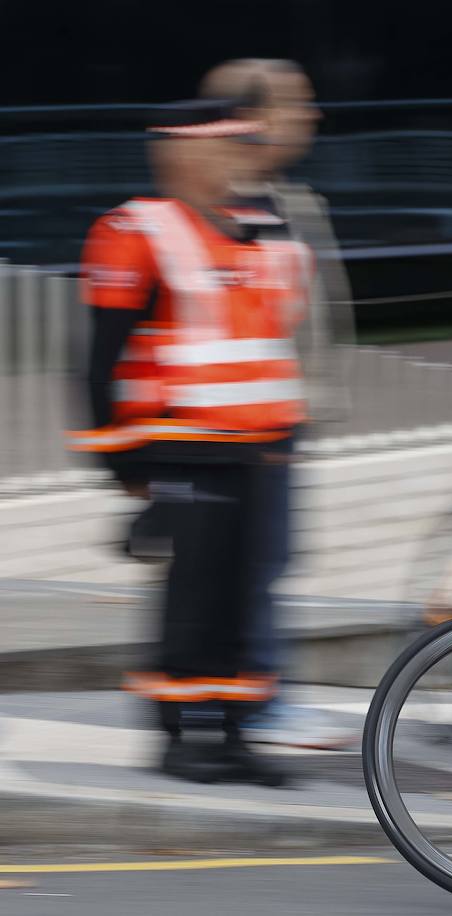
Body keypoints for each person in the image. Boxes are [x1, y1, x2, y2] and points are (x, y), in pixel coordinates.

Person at [70, 99, 313, 785]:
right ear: (180, 154)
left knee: (242, 602)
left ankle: (233, 736)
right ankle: (179, 739)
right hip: (182, 450)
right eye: (227, 146)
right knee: (195, 601)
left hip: (256, 452)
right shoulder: (136, 231)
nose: (242, 158)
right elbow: (99, 359)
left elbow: (272, 339)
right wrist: (118, 464)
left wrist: (285, 434)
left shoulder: (261, 228)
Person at [199, 58, 355, 750]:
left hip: (277, 416)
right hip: (238, 421)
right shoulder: (223, 208)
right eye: (298, 105)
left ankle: (244, 695)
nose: (312, 117)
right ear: (255, 121)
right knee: (249, 561)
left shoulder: (285, 200)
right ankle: (252, 700)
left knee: (265, 559)